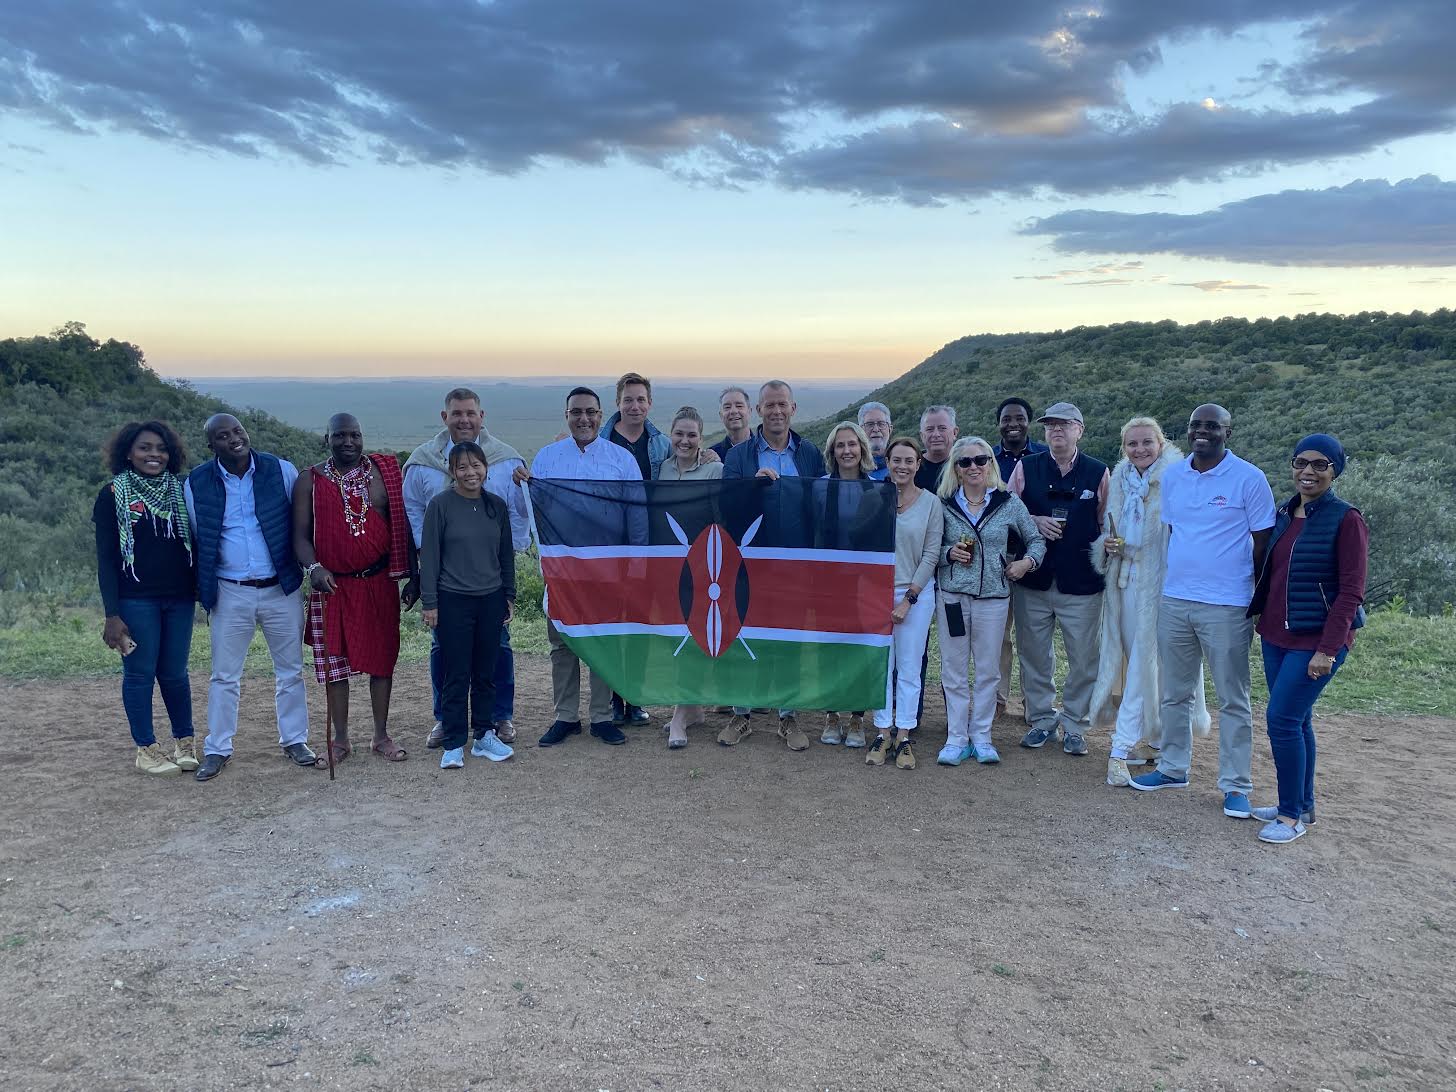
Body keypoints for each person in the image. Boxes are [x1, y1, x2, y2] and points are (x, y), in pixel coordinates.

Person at [1130, 404, 1276, 821]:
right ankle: (1173, 768)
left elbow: (1263, 544)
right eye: (1196, 425)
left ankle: (1235, 785)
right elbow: (1176, 531)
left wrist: (1256, 600)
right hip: (1176, 599)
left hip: (1228, 604)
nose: (1202, 432)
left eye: (1213, 426)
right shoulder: (1175, 476)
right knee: (1175, 692)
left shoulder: (1249, 478)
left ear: (1228, 432)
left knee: (1233, 699)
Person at [1246, 434, 1368, 843]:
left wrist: (1328, 649)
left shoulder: (1346, 519)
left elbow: (1351, 593)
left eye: (1320, 464)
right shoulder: (1285, 511)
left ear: (1335, 471)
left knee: (1281, 720)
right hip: (1276, 633)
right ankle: (1303, 805)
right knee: (1298, 720)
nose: (1308, 472)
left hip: (1316, 641)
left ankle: (1289, 817)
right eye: (1301, 462)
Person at [185, 414, 314, 781]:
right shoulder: (196, 482)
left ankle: (295, 740)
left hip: (280, 587)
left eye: (237, 431)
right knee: (224, 675)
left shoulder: (281, 470)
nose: (234, 439)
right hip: (230, 590)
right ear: (211, 445)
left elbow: (299, 522)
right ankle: (218, 748)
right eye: (223, 436)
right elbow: (198, 534)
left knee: (291, 671)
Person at [516, 386, 644, 747]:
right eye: (576, 412)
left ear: (601, 416)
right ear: (567, 416)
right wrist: (521, 485)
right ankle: (566, 716)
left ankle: (602, 716)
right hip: (563, 571)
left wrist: (636, 567)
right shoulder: (547, 458)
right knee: (562, 645)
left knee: (604, 644)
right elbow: (534, 510)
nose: (583, 418)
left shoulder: (621, 459)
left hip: (608, 570)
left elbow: (637, 514)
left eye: (590, 412)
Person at [404, 388, 529, 746]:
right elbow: (412, 506)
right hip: (446, 577)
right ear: (445, 417)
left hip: (488, 575)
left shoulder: (505, 460)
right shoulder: (423, 461)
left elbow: (518, 512)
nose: (464, 420)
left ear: (481, 416)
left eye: (470, 413)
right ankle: (446, 719)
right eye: (456, 413)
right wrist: (425, 549)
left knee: (498, 646)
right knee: (444, 649)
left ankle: (499, 716)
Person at [1087, 418, 1209, 787]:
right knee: (1138, 658)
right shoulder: (1121, 478)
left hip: (1162, 584)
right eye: (1132, 444)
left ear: (1161, 443)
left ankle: (1120, 747)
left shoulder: (1177, 477)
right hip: (1124, 582)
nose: (1139, 449)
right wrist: (1107, 547)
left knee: (1144, 661)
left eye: (1146, 442)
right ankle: (1156, 740)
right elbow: (1110, 529)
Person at [293, 413, 414, 765]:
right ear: (326, 439)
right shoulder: (310, 479)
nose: (348, 442)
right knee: (335, 665)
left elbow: (402, 526)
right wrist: (313, 568)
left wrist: (413, 576)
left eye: (355, 435)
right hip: (333, 585)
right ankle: (341, 740)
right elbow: (299, 536)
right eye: (340, 435)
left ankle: (381, 735)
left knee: (382, 659)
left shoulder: (383, 473)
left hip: (378, 582)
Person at [719, 380, 827, 751]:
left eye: (783, 404)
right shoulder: (739, 457)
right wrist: (751, 486)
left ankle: (787, 715)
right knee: (744, 637)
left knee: (789, 640)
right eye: (770, 405)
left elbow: (820, 505)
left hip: (796, 564)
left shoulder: (809, 452)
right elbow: (725, 506)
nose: (777, 411)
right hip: (749, 563)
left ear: (793, 408)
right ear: (758, 410)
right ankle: (741, 714)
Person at [94, 420, 198, 776]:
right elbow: (106, 559)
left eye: (161, 449)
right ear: (128, 453)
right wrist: (112, 614)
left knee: (175, 674)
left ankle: (184, 742)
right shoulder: (112, 494)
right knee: (139, 674)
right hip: (135, 600)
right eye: (145, 448)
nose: (154, 454)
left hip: (180, 599)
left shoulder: (181, 490)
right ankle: (147, 749)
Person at [1006, 402, 1109, 757]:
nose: (1057, 431)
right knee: (1034, 655)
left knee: (1084, 659)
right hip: (1033, 579)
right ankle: (1041, 719)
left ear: (1080, 430)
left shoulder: (1098, 472)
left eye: (1065, 424)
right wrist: (1033, 520)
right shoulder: (1026, 467)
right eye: (1050, 425)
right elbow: (1007, 512)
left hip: (1082, 583)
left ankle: (1076, 724)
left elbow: (1107, 523)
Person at [935, 438, 1044, 766]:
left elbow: (1035, 539)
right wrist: (948, 554)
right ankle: (956, 738)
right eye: (965, 462)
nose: (974, 467)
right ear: (956, 468)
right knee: (953, 669)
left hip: (993, 599)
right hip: (953, 598)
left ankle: (981, 736)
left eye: (980, 460)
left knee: (988, 670)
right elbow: (927, 549)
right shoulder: (942, 504)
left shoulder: (1008, 502)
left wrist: (1025, 563)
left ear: (990, 464)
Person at [420, 442, 517, 770]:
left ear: (485, 468)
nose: (470, 473)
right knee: (456, 673)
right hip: (452, 600)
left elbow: (505, 555)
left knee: (486, 672)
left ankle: (484, 735)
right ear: (452, 471)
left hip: (491, 599)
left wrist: (509, 595)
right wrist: (430, 603)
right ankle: (453, 743)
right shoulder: (440, 505)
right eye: (462, 467)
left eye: (476, 465)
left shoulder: (496, 506)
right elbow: (430, 557)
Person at [865, 436, 943, 770]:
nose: (902, 466)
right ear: (887, 462)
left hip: (916, 595)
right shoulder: (874, 498)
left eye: (909, 460)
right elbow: (862, 543)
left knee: (909, 667)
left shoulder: (931, 504)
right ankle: (883, 732)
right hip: (875, 594)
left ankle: (905, 735)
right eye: (896, 460)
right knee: (882, 666)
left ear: (918, 464)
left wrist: (909, 599)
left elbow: (931, 554)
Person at [656, 406, 724, 748]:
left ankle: (680, 716)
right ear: (671, 435)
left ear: (701, 437)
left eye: (692, 435)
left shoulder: (715, 469)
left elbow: (725, 515)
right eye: (679, 434)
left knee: (693, 635)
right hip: (667, 565)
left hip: (702, 567)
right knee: (675, 636)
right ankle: (694, 708)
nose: (685, 441)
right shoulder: (662, 468)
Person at [817, 420, 879, 750]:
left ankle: (857, 716)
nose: (846, 450)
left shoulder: (879, 489)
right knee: (829, 648)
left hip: (866, 583)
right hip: (828, 581)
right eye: (840, 445)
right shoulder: (818, 487)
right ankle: (831, 714)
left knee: (860, 647)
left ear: (862, 448)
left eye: (852, 444)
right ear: (832, 451)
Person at [991, 397, 1048, 720]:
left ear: (1029, 421)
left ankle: (1032, 702)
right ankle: (998, 699)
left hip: (1032, 558)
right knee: (999, 635)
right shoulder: (986, 460)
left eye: (1019, 418)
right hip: (998, 557)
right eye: (1006, 419)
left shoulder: (1043, 457)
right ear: (998, 423)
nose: (1013, 424)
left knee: (1031, 636)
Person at [916, 406, 958, 490]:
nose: (936, 434)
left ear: (954, 433)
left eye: (942, 428)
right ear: (922, 435)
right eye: (930, 429)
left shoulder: (966, 465)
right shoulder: (911, 467)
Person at [710, 386, 753, 460]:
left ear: (749, 411)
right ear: (721, 415)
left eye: (739, 406)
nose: (733, 411)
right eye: (727, 407)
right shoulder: (712, 457)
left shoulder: (765, 450)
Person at [858, 401, 893, 475]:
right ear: (860, 430)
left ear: (890, 429)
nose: (876, 429)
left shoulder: (903, 464)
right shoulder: (851, 466)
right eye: (870, 424)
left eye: (881, 424)